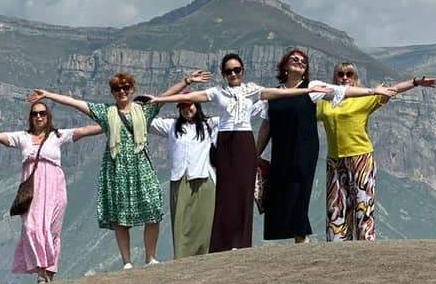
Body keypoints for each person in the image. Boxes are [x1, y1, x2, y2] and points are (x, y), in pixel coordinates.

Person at [149, 53, 332, 252]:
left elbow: (280, 94)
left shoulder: (252, 90)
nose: (233, 74)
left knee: (244, 193)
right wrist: (159, 99)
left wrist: (308, 90)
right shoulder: (218, 92)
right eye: (229, 71)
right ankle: (223, 244)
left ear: (243, 71)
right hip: (225, 141)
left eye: (237, 70)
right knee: (226, 192)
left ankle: (242, 243)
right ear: (224, 74)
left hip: (244, 141)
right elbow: (188, 97)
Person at [29, 69, 210, 269]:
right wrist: (48, 95)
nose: (122, 92)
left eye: (125, 88)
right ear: (113, 92)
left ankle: (150, 258)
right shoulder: (106, 112)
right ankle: (127, 261)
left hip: (141, 166)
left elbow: (166, 96)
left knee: (153, 209)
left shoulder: (144, 110)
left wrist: (187, 81)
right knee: (120, 217)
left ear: (132, 90)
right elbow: (75, 103)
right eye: (117, 89)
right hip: (116, 168)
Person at [255, 49, 394, 243]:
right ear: (285, 65)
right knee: (279, 193)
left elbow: (342, 91)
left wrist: (372, 91)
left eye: (303, 61)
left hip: (304, 148)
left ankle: (301, 237)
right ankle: (297, 235)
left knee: (299, 191)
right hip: (281, 150)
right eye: (295, 59)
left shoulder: (312, 88)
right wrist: (256, 154)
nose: (300, 62)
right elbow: (266, 126)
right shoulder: (274, 93)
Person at [0, 100, 102, 282]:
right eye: (35, 113)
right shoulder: (23, 137)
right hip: (33, 190)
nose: (38, 116)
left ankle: (49, 272)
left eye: (42, 113)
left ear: (48, 116)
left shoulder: (57, 136)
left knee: (52, 230)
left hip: (54, 188)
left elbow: (84, 131)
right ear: (30, 117)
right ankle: (41, 270)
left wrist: (110, 123)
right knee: (32, 227)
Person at [317, 63, 436, 241]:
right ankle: (338, 249)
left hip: (361, 158)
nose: (344, 77)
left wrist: (416, 82)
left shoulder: (365, 98)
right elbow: (303, 110)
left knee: (363, 206)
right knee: (336, 208)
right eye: (340, 74)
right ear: (335, 77)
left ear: (355, 78)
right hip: (335, 160)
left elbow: (393, 89)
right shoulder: (325, 102)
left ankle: (366, 248)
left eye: (349, 74)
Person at [149, 101, 217, 259]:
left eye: (189, 106)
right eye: (182, 107)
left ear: (197, 106)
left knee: (205, 219)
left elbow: (234, 118)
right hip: (180, 178)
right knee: (181, 221)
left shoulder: (210, 124)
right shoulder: (171, 126)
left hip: (204, 178)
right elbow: (146, 121)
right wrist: (156, 101)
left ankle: (206, 255)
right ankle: (182, 257)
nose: (186, 110)